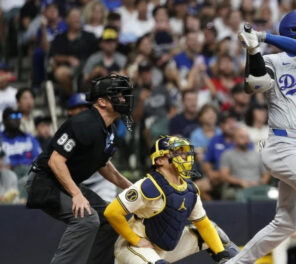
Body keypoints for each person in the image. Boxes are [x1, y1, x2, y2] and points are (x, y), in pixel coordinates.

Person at [230, 8, 296, 264]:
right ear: (293, 28)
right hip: (283, 144)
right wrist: (253, 50)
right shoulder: (272, 61)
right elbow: (254, 84)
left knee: (286, 223)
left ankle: (236, 263)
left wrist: (264, 36)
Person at [25, 74, 134, 264]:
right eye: (118, 95)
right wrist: (76, 194)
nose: (124, 99)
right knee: (87, 219)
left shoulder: (110, 130)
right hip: (44, 181)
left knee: (111, 218)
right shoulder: (83, 123)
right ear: (102, 101)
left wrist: (129, 186)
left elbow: (103, 164)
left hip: (63, 183)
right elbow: (55, 161)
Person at [104, 135, 237, 263]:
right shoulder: (149, 185)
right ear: (160, 160)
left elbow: (203, 224)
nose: (184, 156)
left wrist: (222, 254)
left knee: (217, 234)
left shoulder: (190, 189)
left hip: (163, 249)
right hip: (134, 246)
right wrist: (135, 240)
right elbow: (112, 212)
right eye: (177, 153)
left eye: (184, 152)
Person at [219, 127, 270, 200]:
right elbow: (224, 175)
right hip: (237, 188)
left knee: (272, 193)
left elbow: (266, 174)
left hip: (258, 188)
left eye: (247, 137)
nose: (246, 140)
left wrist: (260, 183)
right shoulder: (227, 155)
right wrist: (240, 182)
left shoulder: (258, 155)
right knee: (235, 195)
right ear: (234, 139)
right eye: (242, 137)